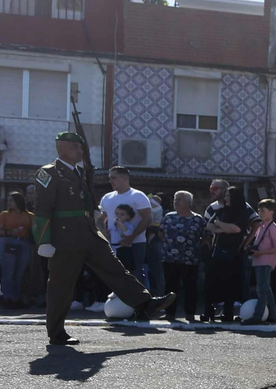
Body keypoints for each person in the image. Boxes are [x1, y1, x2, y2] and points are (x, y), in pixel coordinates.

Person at [33, 133, 174, 345]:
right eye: (77, 148)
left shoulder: (79, 171)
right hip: (65, 236)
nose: (81, 152)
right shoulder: (49, 173)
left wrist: (94, 211)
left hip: (89, 232)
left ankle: (145, 303)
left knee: (115, 269)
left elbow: (84, 198)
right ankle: (56, 331)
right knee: (61, 285)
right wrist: (43, 240)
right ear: (63, 149)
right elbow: (42, 208)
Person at [204, 185, 254, 323]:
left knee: (230, 283)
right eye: (225, 196)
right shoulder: (220, 211)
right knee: (212, 282)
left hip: (234, 252)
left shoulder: (242, 212)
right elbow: (209, 225)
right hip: (218, 250)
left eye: (228, 196)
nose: (225, 199)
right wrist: (223, 229)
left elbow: (237, 228)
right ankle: (209, 310)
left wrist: (220, 224)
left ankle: (228, 311)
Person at [97, 167, 153, 286]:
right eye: (109, 178)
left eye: (114, 177)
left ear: (124, 178)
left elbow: (147, 218)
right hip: (114, 244)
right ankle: (117, 303)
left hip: (135, 243)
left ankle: (139, 302)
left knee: (134, 274)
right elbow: (101, 219)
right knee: (115, 274)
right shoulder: (107, 198)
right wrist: (103, 232)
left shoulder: (138, 196)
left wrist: (131, 237)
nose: (110, 181)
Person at [160, 191, 206, 323]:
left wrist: (192, 247)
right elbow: (161, 233)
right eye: (175, 199)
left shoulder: (198, 219)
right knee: (170, 287)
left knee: (190, 286)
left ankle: (190, 313)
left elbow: (205, 238)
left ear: (188, 203)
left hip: (190, 258)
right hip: (169, 258)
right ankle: (169, 313)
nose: (176, 201)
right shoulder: (168, 217)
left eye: (179, 199)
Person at [0, 192, 33, 309]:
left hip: (24, 242)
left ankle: (18, 298)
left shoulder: (30, 215)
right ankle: (7, 298)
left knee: (20, 272)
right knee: (8, 272)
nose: (9, 203)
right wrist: (11, 232)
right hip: (8, 241)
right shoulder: (4, 215)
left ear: (18, 201)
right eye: (9, 200)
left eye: (11, 200)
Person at [249, 199, 276, 325]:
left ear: (271, 212)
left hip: (265, 261)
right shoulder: (261, 226)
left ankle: (258, 315)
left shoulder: (273, 228)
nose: (259, 213)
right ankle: (272, 315)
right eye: (259, 210)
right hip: (259, 260)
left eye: (262, 211)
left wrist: (261, 253)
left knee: (262, 289)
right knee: (265, 289)